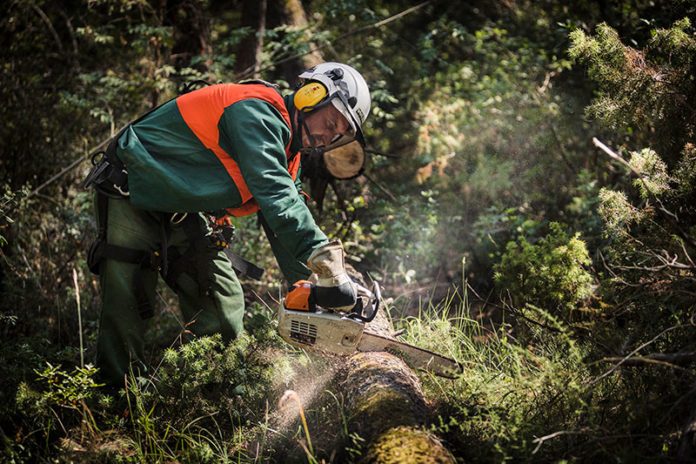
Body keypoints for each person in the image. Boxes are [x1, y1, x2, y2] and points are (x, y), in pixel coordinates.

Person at [84, 62, 371, 386]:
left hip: (181, 208)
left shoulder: (289, 155)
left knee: (222, 306)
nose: (326, 136)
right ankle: (115, 402)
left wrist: (317, 284)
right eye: (330, 122)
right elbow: (277, 195)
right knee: (129, 301)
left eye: (336, 134)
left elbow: (285, 220)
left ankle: (203, 390)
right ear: (311, 95)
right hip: (133, 188)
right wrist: (325, 257)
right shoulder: (255, 111)